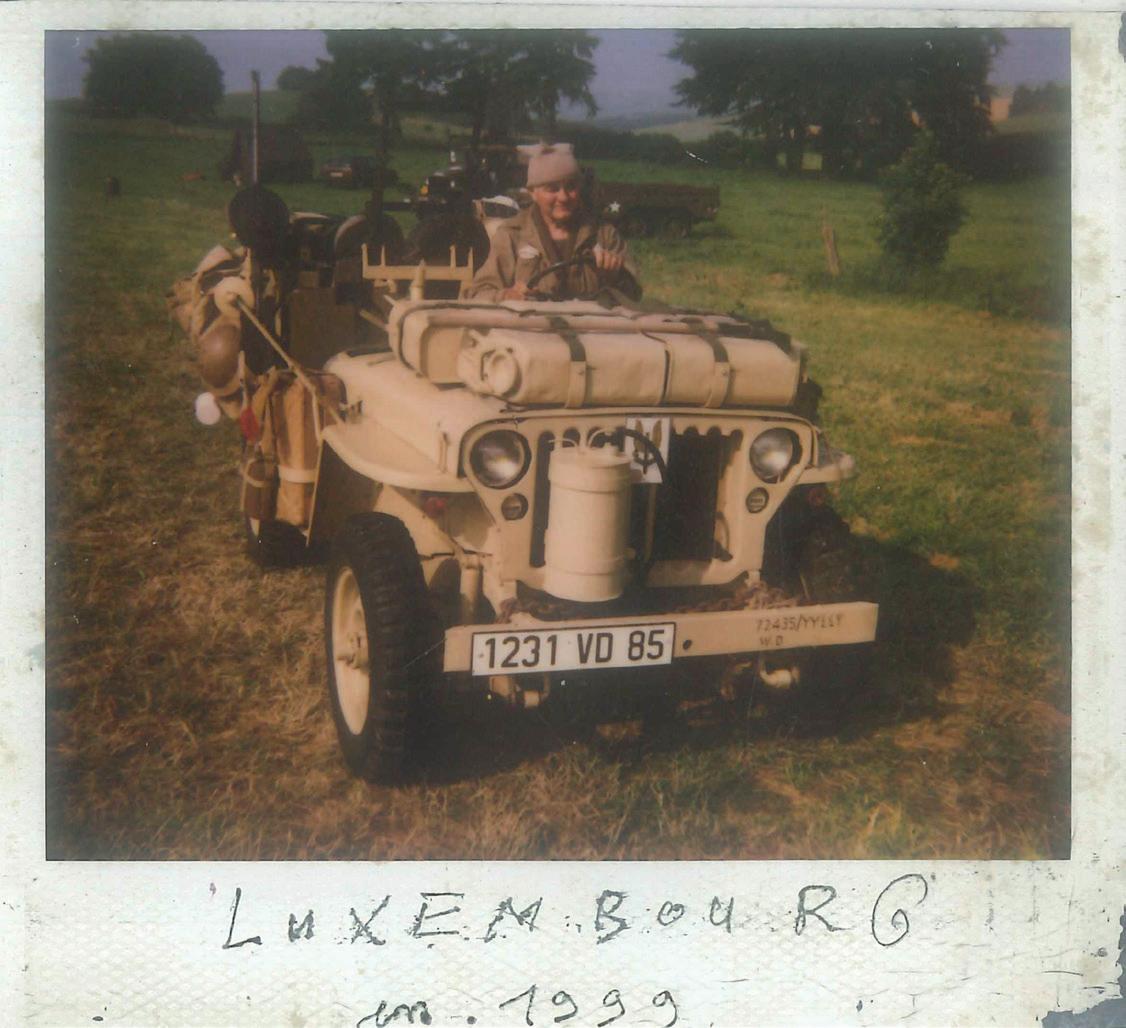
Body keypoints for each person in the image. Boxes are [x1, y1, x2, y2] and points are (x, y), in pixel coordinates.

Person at [466, 143, 641, 302]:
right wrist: (507, 295)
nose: (563, 197)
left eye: (571, 187)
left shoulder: (604, 235)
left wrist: (614, 278)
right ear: (532, 192)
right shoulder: (512, 234)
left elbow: (635, 297)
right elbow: (478, 293)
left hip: (591, 325)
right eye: (552, 189)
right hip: (531, 326)